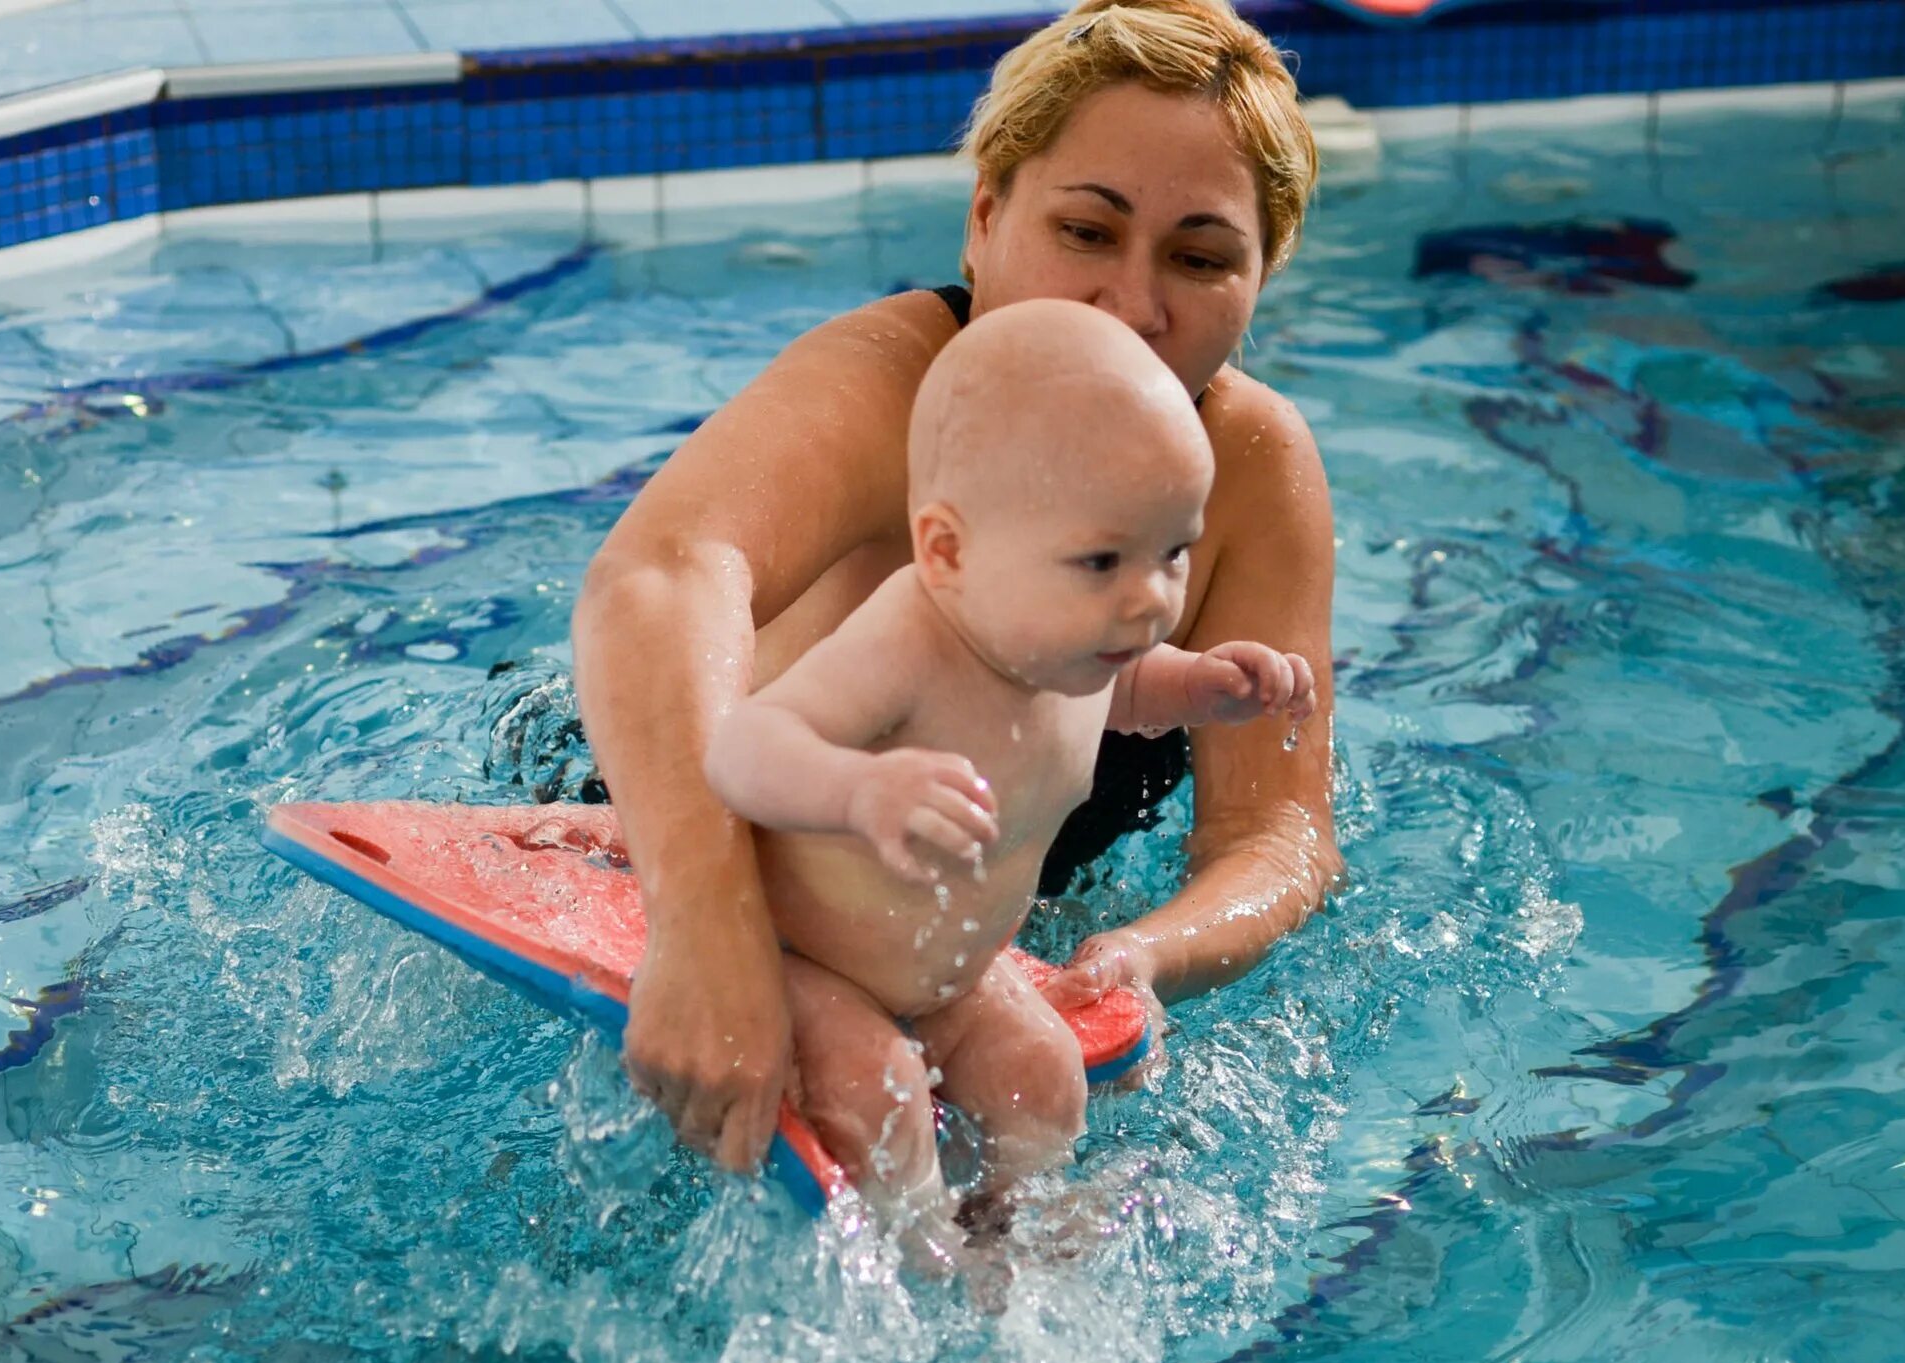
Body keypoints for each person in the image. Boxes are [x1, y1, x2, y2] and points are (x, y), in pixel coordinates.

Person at [565, 0, 1342, 1176]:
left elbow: (1276, 828)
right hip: (692, 823)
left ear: (1258, 279)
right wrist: (705, 926)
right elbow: (663, 573)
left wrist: (1141, 953)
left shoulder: (1248, 471)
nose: (1131, 306)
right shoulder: (903, 390)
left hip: (956, 934)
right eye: (1086, 231)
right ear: (985, 219)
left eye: (1198, 257)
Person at [703, 300, 1313, 1250]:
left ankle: (1009, 1227)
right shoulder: (907, 637)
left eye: (1174, 552)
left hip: (948, 971)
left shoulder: (1074, 641)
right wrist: (857, 791)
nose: (1149, 598)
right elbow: (741, 749)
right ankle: (921, 1264)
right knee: (882, 1093)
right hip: (806, 957)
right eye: (1105, 559)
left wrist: (1207, 685)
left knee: (1045, 1070)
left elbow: (1130, 697)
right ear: (948, 551)